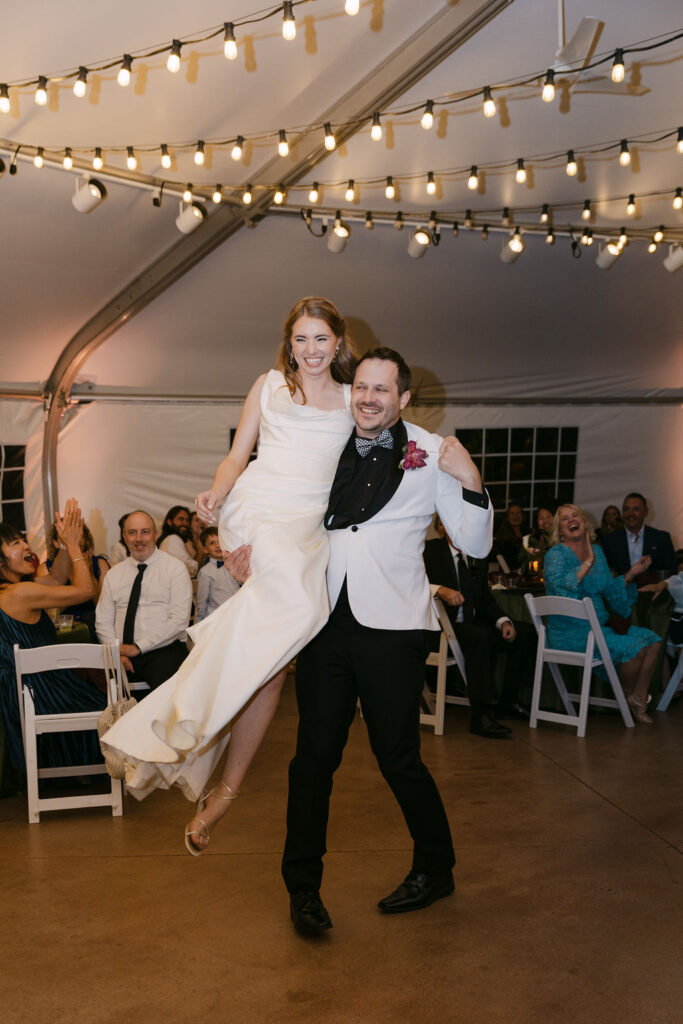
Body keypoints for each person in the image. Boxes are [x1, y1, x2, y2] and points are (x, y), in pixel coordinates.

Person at [99, 297, 357, 853]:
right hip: (258, 513)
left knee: (274, 659)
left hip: (308, 527)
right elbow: (237, 457)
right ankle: (169, 734)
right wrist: (216, 494)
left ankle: (214, 784)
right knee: (300, 612)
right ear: (288, 344)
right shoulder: (268, 386)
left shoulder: (353, 398)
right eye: (300, 340)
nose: (310, 351)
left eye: (320, 339)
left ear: (339, 341)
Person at [280, 347, 493, 934]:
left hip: (394, 628)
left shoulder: (430, 454)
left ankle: (436, 867)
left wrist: (469, 477)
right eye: (361, 387)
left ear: (403, 399)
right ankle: (303, 889)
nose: (367, 398)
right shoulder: (327, 441)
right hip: (325, 622)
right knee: (311, 761)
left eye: (382, 390)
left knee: (397, 757)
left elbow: (473, 546)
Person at [0, 501, 105, 775]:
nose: (25, 546)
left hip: (23, 687)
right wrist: (73, 547)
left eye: (23, 539)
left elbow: (58, 578)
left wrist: (64, 544)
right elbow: (84, 591)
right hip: (36, 691)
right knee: (108, 712)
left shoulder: (13, 590)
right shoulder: (18, 594)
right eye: (15, 543)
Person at [544, 504, 661, 724]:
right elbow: (563, 590)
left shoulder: (597, 551)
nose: (571, 520)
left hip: (601, 625)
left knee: (653, 642)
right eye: (565, 518)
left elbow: (609, 590)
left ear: (584, 522)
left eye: (575, 515)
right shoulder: (555, 555)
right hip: (570, 631)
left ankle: (638, 697)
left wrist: (631, 574)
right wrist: (587, 561)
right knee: (635, 649)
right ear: (559, 530)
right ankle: (625, 696)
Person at [424, 522, 536, 734]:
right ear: (444, 529)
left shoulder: (476, 556)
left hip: (469, 624)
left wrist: (503, 621)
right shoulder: (431, 551)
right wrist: (440, 589)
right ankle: (480, 715)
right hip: (441, 628)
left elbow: (484, 600)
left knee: (525, 633)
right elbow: (413, 582)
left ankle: (508, 701)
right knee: (479, 636)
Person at [95, 510, 192, 689]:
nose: (139, 538)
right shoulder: (114, 574)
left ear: (155, 534)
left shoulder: (175, 569)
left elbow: (179, 620)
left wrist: (138, 647)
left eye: (145, 532)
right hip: (120, 652)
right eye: (132, 533)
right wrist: (118, 653)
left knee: (166, 699)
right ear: (124, 537)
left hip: (163, 649)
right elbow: (103, 621)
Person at [37, 522, 109, 641]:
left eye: (77, 535)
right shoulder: (47, 570)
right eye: (65, 537)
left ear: (85, 539)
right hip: (63, 629)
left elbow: (105, 608)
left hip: (95, 624)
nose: (72, 539)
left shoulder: (99, 563)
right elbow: (50, 615)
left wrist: (90, 576)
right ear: (56, 543)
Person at [601, 493, 677, 583]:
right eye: (626, 509)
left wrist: (661, 586)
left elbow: (672, 574)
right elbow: (605, 575)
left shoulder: (662, 539)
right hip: (622, 594)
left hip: (654, 594)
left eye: (636, 509)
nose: (630, 514)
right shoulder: (610, 540)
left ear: (645, 512)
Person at [195, 527, 239, 621]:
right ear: (205, 549)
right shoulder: (206, 572)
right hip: (217, 618)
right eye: (212, 543)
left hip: (235, 615)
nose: (217, 545)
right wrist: (199, 622)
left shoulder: (233, 565)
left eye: (219, 541)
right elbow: (202, 601)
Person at [157, 506, 198, 578]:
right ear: (169, 522)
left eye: (187, 520)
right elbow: (191, 569)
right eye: (181, 519)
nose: (185, 523)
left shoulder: (181, 540)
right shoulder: (172, 539)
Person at [493, 502, 526, 570]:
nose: (516, 516)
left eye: (518, 513)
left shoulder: (527, 533)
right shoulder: (503, 537)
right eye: (512, 513)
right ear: (508, 518)